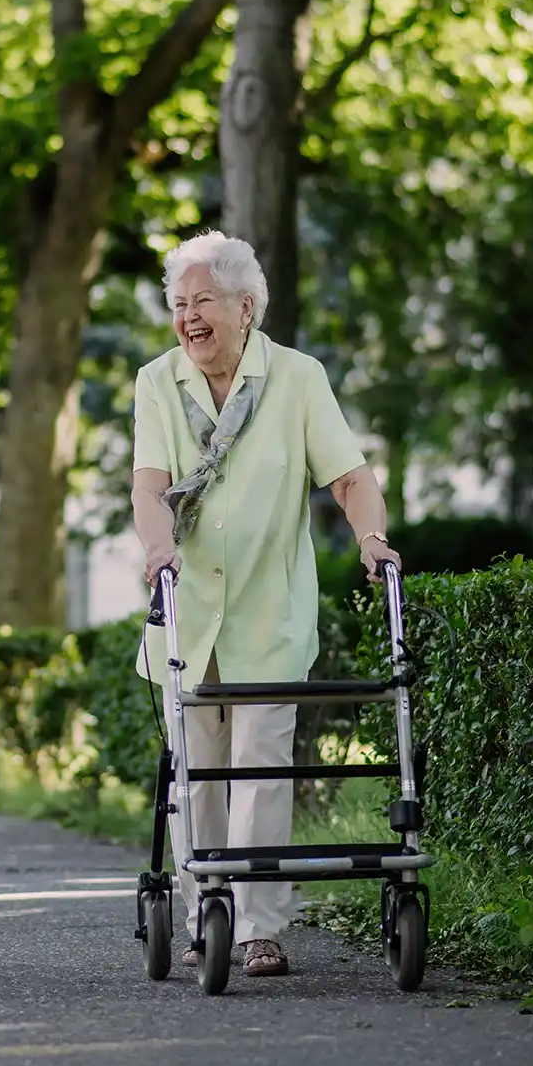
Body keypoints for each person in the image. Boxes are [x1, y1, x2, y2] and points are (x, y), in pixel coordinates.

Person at [131, 230, 402, 979]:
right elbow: (149, 486)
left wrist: (372, 538)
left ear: (245, 306)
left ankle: (258, 928)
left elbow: (348, 477)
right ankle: (204, 913)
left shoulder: (297, 378)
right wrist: (158, 549)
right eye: (179, 304)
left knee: (260, 766)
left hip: (270, 609)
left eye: (203, 301)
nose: (188, 317)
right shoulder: (158, 381)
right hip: (188, 608)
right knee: (197, 772)